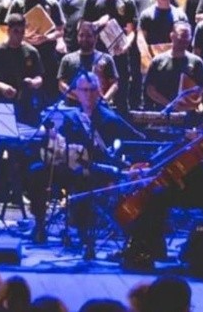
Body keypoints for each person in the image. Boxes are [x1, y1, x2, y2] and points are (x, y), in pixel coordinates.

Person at [120, 82, 203, 268]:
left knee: (157, 196)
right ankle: (146, 246)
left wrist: (197, 152)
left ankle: (145, 249)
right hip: (201, 183)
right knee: (156, 192)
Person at [27, 71, 143, 252]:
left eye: (92, 90)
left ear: (99, 91)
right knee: (36, 171)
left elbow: (120, 149)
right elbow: (62, 144)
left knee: (82, 177)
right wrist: (54, 138)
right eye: (84, 90)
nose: (88, 94)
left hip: (96, 170)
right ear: (77, 93)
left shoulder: (109, 118)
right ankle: (40, 225)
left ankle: (83, 232)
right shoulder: (72, 116)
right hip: (70, 166)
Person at [82, 0, 139, 111]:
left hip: (119, 52)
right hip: (97, 53)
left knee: (121, 91)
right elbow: (83, 26)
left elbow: (131, 30)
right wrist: (98, 23)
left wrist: (127, 45)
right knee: (96, 90)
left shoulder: (127, 1)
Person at [8, 0, 66, 102]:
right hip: (23, 53)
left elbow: (60, 30)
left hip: (47, 54)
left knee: (48, 93)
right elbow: (8, 28)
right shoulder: (18, 3)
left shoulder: (52, 3)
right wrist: (23, 39)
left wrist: (46, 38)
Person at [0, 14, 43, 124]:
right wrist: (0, 86)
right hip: (1, 104)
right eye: (16, 31)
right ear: (8, 31)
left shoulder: (31, 52)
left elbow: (39, 77)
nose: (19, 35)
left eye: (22, 32)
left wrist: (33, 82)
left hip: (26, 105)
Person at [143, 21, 203, 111]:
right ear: (172, 36)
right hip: (162, 113)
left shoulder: (196, 62)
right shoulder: (158, 61)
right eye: (181, 36)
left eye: (187, 37)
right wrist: (170, 105)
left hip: (187, 114)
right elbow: (150, 89)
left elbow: (202, 88)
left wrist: (189, 104)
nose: (184, 40)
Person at [58, 20, 119, 105]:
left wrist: (104, 99)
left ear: (96, 37)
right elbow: (61, 84)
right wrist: (80, 97)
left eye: (88, 36)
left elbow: (114, 84)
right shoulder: (67, 59)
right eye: (81, 35)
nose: (84, 39)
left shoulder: (106, 59)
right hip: (73, 107)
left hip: (99, 106)